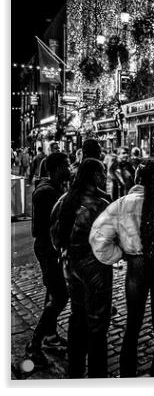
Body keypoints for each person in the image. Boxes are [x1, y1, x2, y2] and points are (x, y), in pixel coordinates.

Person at [89, 159, 154, 377]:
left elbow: (98, 237)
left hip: (136, 269)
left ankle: (127, 374)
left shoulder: (122, 204)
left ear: (137, 178)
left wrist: (120, 254)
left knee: (133, 324)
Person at [50, 158, 112, 378]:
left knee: (77, 316)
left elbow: (55, 237)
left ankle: (75, 370)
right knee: (97, 323)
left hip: (70, 266)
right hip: (95, 269)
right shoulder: (101, 205)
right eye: (102, 172)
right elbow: (112, 241)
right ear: (95, 176)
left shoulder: (64, 201)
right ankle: (97, 375)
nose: (105, 176)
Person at [25, 152, 71, 368]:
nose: (69, 168)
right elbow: (42, 228)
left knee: (53, 293)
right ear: (56, 168)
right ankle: (34, 345)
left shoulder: (52, 188)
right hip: (47, 249)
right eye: (65, 165)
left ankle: (50, 336)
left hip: (52, 249)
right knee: (60, 295)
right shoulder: (46, 192)